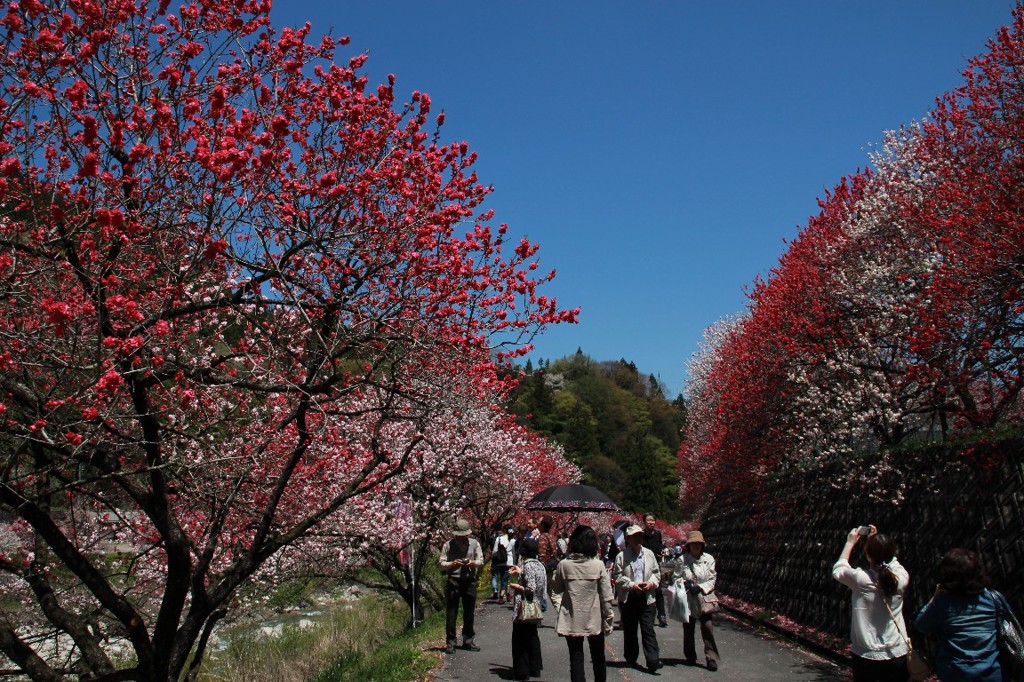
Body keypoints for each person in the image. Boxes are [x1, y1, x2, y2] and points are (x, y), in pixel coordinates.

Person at [832, 525, 909, 682]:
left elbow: (839, 568)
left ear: (868, 555)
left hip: (866, 653)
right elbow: (890, 561)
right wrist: (877, 544)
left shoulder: (860, 579)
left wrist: (850, 542)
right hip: (897, 651)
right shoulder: (901, 578)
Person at [914, 547, 1003, 682]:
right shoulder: (993, 598)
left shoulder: (942, 603)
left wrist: (935, 597)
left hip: (955, 673)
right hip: (991, 671)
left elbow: (921, 625)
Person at [552, 525, 615, 682]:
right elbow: (606, 596)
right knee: (598, 656)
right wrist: (609, 617)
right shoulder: (598, 565)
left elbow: (557, 588)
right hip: (594, 618)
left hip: (572, 616)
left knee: (576, 658)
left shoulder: (564, 565)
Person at [613, 524, 662, 674]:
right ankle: (631, 656)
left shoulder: (649, 554)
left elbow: (656, 572)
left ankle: (653, 660)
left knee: (648, 628)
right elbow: (617, 576)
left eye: (640, 535)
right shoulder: (621, 556)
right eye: (634, 536)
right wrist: (632, 584)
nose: (638, 538)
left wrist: (651, 582)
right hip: (629, 596)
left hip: (647, 597)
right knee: (630, 629)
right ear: (628, 539)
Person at [676, 529, 721, 671]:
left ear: (702, 545)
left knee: (707, 627)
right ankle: (690, 654)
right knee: (688, 628)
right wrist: (684, 583)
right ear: (688, 545)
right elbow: (675, 577)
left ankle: (711, 657)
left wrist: (700, 587)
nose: (696, 546)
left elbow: (712, 578)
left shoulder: (709, 559)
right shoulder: (682, 560)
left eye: (698, 544)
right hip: (688, 598)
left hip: (704, 597)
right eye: (693, 543)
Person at [439, 518, 484, 654]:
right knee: (451, 613)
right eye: (459, 535)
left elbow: (481, 560)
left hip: (469, 581)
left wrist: (472, 563)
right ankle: (451, 642)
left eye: (464, 534)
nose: (462, 537)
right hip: (454, 580)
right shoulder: (448, 545)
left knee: (469, 612)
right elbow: (441, 563)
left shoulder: (474, 544)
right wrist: (453, 563)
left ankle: (468, 640)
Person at [508, 537, 546, 681]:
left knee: (520, 639)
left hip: (525, 606)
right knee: (532, 637)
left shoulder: (528, 565)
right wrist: (520, 571)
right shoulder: (540, 565)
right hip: (535, 606)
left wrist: (516, 587)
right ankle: (535, 667)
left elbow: (530, 588)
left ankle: (522, 671)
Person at [642, 512, 668, 627]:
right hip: (644, 565)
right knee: (646, 590)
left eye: (652, 520)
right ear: (644, 522)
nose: (651, 522)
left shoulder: (657, 534)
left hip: (655, 565)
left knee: (658, 591)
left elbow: (660, 545)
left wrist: (661, 551)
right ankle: (647, 616)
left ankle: (662, 615)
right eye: (648, 520)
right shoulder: (641, 535)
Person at [537, 516, 559, 610]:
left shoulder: (542, 537)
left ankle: (535, 618)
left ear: (542, 525)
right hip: (552, 567)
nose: (537, 523)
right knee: (554, 594)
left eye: (539, 521)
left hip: (545, 568)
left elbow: (541, 554)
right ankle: (564, 616)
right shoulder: (551, 536)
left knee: (538, 594)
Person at [491, 525, 513, 603]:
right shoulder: (512, 540)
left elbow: (494, 551)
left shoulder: (499, 538)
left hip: (500, 561)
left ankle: (503, 595)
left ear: (503, 530)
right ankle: (504, 595)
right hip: (509, 561)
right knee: (505, 579)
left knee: (503, 578)